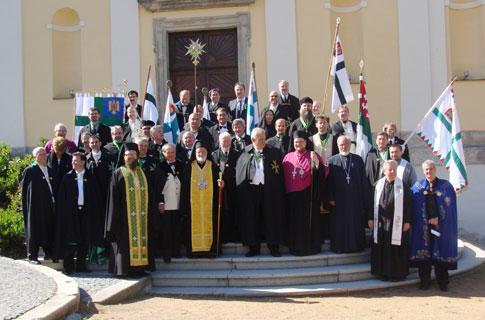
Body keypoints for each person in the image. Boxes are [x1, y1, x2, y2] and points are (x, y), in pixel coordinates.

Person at [105, 146, 162, 277]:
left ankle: (140, 268)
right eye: (127, 155)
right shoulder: (118, 173)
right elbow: (113, 199)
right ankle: (124, 270)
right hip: (124, 218)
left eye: (132, 154)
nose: (130, 157)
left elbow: (151, 195)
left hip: (142, 218)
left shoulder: (143, 173)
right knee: (125, 244)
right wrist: (114, 220)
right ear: (123, 157)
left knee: (143, 241)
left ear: (137, 156)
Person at [235, 128, 285, 257]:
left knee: (271, 218)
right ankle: (253, 247)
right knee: (252, 218)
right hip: (251, 192)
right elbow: (240, 175)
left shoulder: (274, 152)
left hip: (270, 191)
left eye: (264, 138)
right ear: (253, 140)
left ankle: (274, 247)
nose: (263, 141)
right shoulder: (244, 153)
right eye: (260, 139)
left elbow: (280, 175)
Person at [410, 160, 458, 291]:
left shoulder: (446, 186)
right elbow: (412, 204)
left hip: (441, 227)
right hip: (423, 227)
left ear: (435, 169)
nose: (428, 172)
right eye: (426, 169)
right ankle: (424, 281)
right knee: (424, 256)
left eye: (431, 169)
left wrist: (439, 219)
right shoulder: (418, 186)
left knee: (440, 254)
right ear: (423, 170)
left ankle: (442, 282)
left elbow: (450, 207)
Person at [55, 152, 104, 274]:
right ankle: (69, 266)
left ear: (83, 162)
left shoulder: (91, 177)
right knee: (70, 240)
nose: (73, 163)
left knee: (84, 239)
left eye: (76, 161)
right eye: (73, 161)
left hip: (86, 213)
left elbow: (95, 196)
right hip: (71, 213)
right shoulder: (67, 177)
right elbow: (62, 198)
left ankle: (81, 265)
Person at [282, 131, 326, 256]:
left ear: (306, 143)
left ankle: (310, 247)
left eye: (301, 141)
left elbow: (322, 172)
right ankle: (294, 247)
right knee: (294, 222)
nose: (298, 144)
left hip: (308, 197)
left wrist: (316, 162)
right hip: (292, 197)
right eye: (296, 142)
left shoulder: (312, 154)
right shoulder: (287, 157)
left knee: (308, 221)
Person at [368, 160, 412, 281]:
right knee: (381, 247)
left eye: (394, 169)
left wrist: (407, 221)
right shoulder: (378, 185)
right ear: (384, 170)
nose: (392, 171)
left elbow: (408, 205)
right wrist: (371, 218)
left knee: (395, 248)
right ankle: (382, 272)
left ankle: (396, 274)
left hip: (397, 222)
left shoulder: (403, 185)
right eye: (389, 169)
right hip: (381, 222)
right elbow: (371, 203)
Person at [180, 141, 224, 258]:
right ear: (195, 153)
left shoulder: (213, 166)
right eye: (199, 151)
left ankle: (211, 250)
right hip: (192, 205)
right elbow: (184, 187)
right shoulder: (189, 167)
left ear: (207, 153)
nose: (201, 153)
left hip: (210, 205)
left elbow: (218, 184)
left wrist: (221, 185)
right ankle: (194, 251)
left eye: (203, 151)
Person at [326, 136, 369, 253]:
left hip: (355, 199)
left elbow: (363, 180)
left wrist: (363, 198)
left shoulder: (358, 160)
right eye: (341, 145)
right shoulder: (332, 161)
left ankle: (357, 246)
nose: (343, 147)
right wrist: (330, 197)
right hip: (339, 200)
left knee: (355, 222)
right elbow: (329, 182)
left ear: (350, 145)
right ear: (338, 145)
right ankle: (339, 247)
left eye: (346, 144)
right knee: (340, 224)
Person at [21, 147, 56, 264]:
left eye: (44, 154)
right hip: (35, 207)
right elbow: (27, 190)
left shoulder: (50, 169)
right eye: (40, 154)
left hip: (49, 205)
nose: (43, 156)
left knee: (49, 228)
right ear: (34, 157)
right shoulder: (31, 170)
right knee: (35, 229)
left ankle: (49, 253)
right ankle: (33, 256)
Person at [212, 132, 240, 243]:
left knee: (233, 211)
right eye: (223, 140)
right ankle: (222, 237)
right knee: (221, 212)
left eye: (228, 140)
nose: (226, 142)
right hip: (219, 189)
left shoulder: (237, 154)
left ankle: (234, 236)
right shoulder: (214, 155)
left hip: (233, 188)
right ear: (219, 141)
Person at [158, 143, 184, 262]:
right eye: (167, 152)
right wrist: (160, 202)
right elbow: (157, 187)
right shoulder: (160, 167)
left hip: (179, 203)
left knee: (177, 228)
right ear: (163, 154)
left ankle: (176, 251)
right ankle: (167, 254)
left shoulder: (181, 165)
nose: (170, 154)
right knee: (166, 230)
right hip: (166, 203)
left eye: (172, 152)